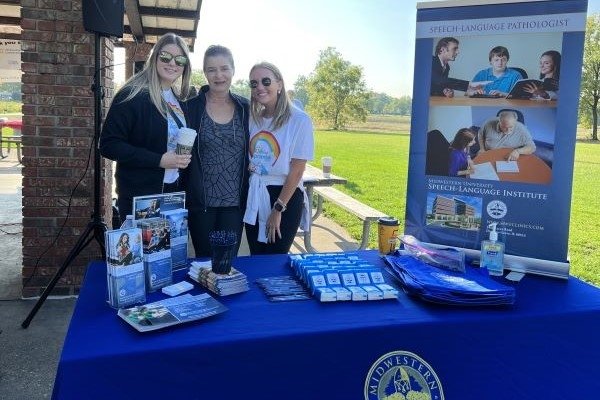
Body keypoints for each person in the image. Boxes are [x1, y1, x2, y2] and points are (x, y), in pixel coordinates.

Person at [100, 33, 192, 222]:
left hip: (172, 193)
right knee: (142, 250)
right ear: (155, 57)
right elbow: (109, 145)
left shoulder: (178, 99)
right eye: (166, 57)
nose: (172, 63)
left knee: (167, 251)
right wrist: (158, 160)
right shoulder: (132, 94)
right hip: (140, 196)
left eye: (180, 59)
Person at [182, 45, 250, 257]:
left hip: (235, 204)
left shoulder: (246, 108)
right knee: (203, 261)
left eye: (224, 68)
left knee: (227, 262)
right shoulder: (190, 108)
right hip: (201, 204)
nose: (218, 75)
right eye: (211, 70)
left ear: (233, 70)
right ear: (205, 73)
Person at [243, 62, 315, 254]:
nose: (259, 87)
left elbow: (297, 169)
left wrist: (278, 208)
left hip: (284, 197)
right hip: (256, 194)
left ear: (280, 85)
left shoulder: (299, 120)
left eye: (266, 81)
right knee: (256, 256)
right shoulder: (254, 119)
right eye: (254, 83)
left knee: (274, 258)